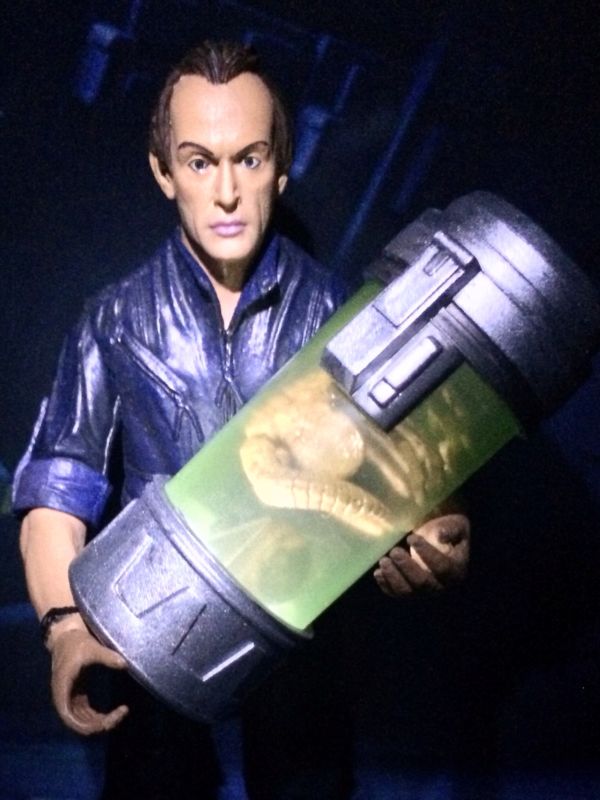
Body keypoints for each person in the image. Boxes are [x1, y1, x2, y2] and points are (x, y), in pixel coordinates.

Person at [13, 40, 470, 798]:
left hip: (301, 644)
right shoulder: (114, 320)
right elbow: (57, 493)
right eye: (199, 162)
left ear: (280, 168)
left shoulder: (342, 315)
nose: (226, 191)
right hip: (151, 639)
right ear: (164, 172)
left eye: (248, 159)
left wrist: (437, 535)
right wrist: (64, 627)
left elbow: (417, 477)